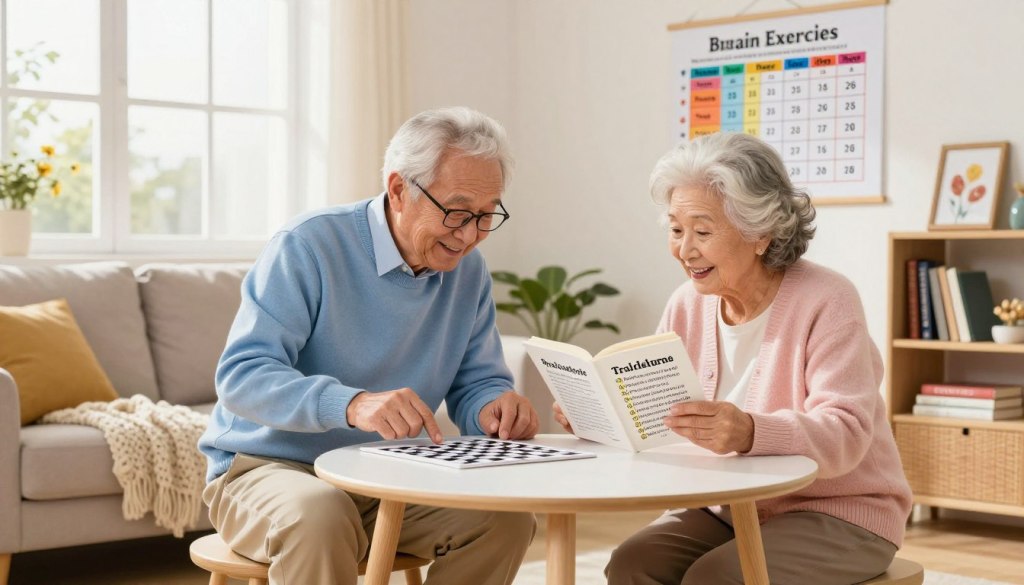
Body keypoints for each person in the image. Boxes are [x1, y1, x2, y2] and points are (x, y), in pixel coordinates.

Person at [198, 106, 539, 585]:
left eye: (486, 216)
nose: (469, 235)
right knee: (319, 514)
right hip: (268, 469)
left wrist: (493, 408)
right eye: (457, 212)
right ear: (399, 189)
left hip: (392, 473)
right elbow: (243, 375)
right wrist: (351, 404)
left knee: (505, 520)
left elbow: (476, 382)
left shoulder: (468, 271)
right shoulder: (309, 245)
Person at [555, 132, 913, 585]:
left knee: (717, 578)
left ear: (759, 233)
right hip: (728, 507)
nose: (685, 250)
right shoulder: (686, 304)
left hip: (840, 512)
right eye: (676, 229)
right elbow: (657, 416)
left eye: (702, 232)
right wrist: (598, 414)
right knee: (632, 563)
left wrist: (750, 431)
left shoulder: (828, 299)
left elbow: (847, 434)